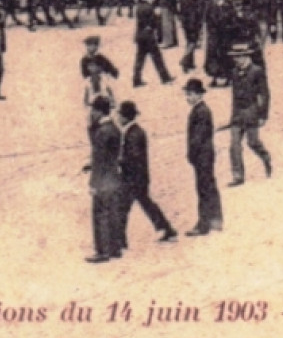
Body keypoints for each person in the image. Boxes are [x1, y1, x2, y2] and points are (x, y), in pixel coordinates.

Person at [118, 101, 175, 245]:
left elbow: (133, 157)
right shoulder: (135, 131)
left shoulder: (133, 134)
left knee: (121, 209)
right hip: (140, 177)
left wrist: (119, 161)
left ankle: (119, 241)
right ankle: (166, 229)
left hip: (133, 178)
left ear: (125, 117)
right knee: (146, 204)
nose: (118, 118)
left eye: (120, 115)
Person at [85, 95, 124, 262]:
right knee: (113, 214)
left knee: (100, 214)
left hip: (102, 179)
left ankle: (102, 251)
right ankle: (115, 248)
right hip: (114, 177)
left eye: (93, 110)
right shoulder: (114, 128)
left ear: (99, 111)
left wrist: (93, 183)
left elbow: (98, 159)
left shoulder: (101, 132)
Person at [227, 44, 272, 187]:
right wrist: (233, 114)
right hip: (237, 114)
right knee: (234, 145)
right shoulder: (234, 72)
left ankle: (265, 157)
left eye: (239, 57)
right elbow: (234, 95)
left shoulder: (257, 71)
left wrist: (263, 115)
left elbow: (264, 94)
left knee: (252, 142)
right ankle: (238, 175)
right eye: (235, 57)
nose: (236, 60)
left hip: (251, 111)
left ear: (246, 56)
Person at [182, 79, 222, 236]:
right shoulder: (201, 110)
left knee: (203, 188)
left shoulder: (201, 111)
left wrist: (192, 154)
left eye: (190, 94)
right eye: (187, 94)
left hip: (202, 156)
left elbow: (197, 138)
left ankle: (203, 224)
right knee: (209, 185)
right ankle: (216, 219)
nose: (187, 97)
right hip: (206, 154)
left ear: (199, 94)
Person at [132, 0, 173, 87]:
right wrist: (158, 17)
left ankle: (136, 80)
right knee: (157, 58)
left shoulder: (139, 7)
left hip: (140, 36)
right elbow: (154, 22)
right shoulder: (150, 8)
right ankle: (165, 78)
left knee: (140, 59)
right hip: (149, 36)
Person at [80, 35, 120, 105]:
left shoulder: (100, 57)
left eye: (94, 45)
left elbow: (108, 65)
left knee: (105, 84)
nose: (91, 48)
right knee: (87, 86)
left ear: (97, 47)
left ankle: (111, 99)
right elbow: (83, 71)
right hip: (90, 76)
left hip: (101, 74)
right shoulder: (84, 59)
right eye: (89, 46)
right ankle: (87, 100)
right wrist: (88, 73)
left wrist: (112, 71)